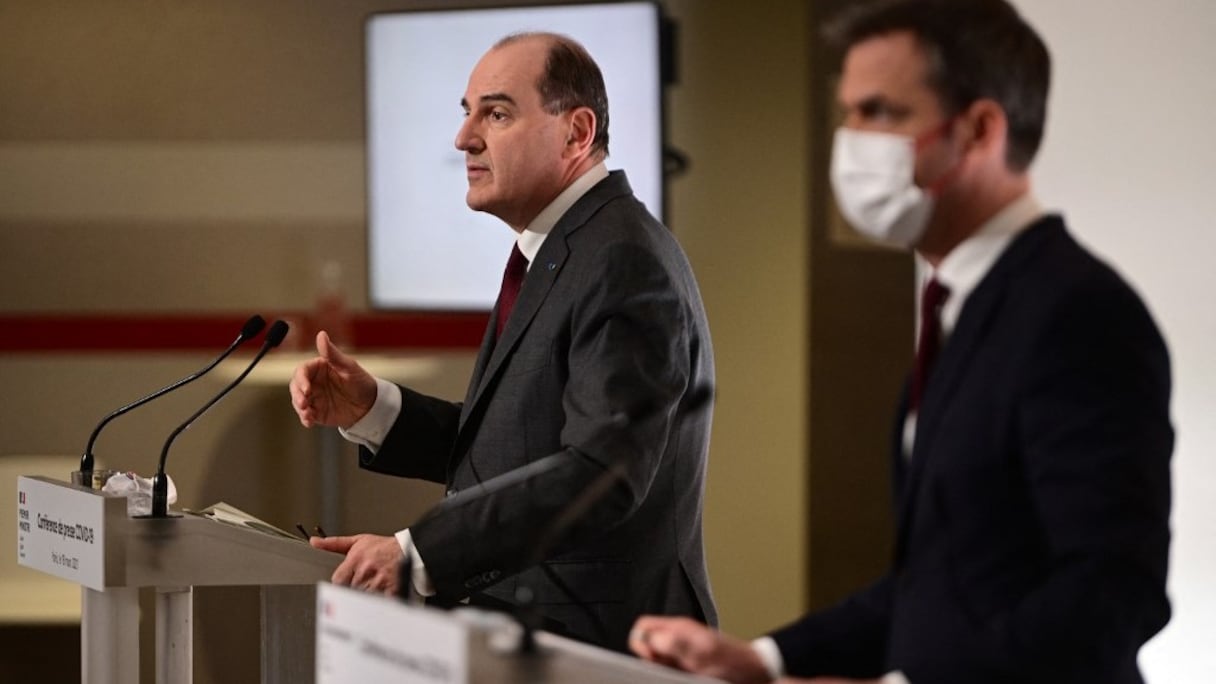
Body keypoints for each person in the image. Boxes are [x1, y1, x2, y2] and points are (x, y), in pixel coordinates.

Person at [630, 0, 1173, 682]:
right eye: (849, 111)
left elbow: (1110, 597)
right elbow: (935, 585)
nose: (851, 139)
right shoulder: (960, 307)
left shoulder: (1078, 313)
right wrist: (764, 659)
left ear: (978, 131)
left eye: (880, 112)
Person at [289, 32, 717, 652]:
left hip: (609, 648)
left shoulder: (621, 259)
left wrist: (417, 553)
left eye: (496, 113)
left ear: (575, 133)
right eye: (467, 113)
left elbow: (601, 472)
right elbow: (522, 445)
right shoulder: (563, 248)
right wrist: (375, 411)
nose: (464, 138)